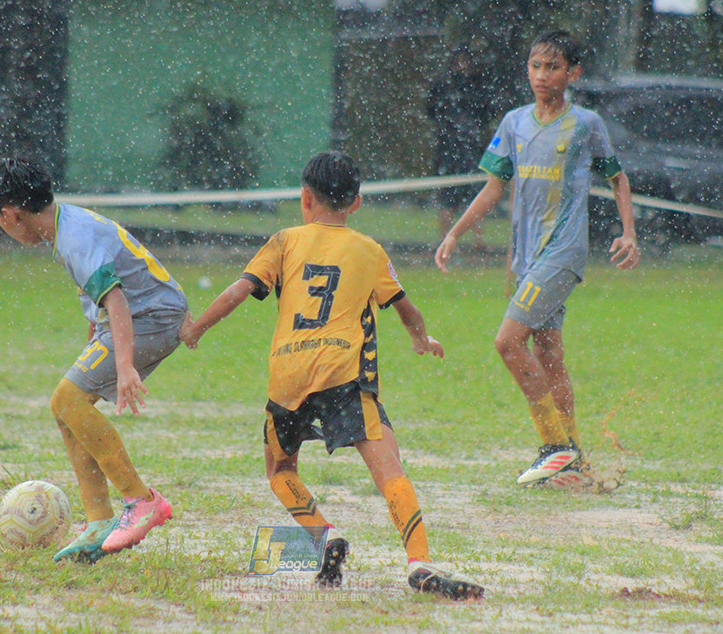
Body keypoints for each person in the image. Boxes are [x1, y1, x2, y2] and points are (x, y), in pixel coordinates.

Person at [181, 151, 485, 600]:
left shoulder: (284, 240)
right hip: (344, 375)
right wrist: (422, 339)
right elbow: (406, 309)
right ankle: (419, 562)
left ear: (305, 197)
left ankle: (324, 538)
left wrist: (197, 328)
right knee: (390, 471)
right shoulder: (370, 251)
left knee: (280, 469)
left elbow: (238, 291)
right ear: (357, 202)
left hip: (288, 378)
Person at [434, 30, 640, 489]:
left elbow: (618, 179)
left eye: (553, 67)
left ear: (573, 73)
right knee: (548, 354)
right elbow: (493, 188)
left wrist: (629, 233)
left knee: (507, 342)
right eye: (536, 66)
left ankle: (555, 447)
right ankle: (577, 461)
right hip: (526, 258)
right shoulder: (514, 123)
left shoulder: (586, 123)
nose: (542, 76)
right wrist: (455, 233)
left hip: (563, 252)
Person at [0, 157, 189, 563]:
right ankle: (99, 521)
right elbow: (102, 301)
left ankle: (141, 501)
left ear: (9, 214)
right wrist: (93, 350)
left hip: (149, 319)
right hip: (142, 316)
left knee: (66, 400)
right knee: (67, 407)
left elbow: (116, 299)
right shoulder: (66, 224)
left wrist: (125, 365)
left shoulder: (74, 238)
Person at [425, 44, 491, 249]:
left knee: (474, 194)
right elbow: (431, 110)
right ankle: (445, 238)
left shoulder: (474, 86)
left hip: (467, 147)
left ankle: (477, 241)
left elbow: (486, 112)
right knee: (449, 195)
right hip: (452, 148)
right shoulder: (448, 85)